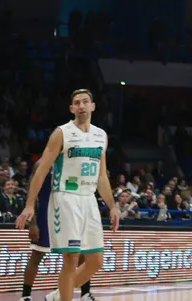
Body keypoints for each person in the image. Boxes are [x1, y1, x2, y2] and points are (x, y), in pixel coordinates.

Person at [16, 90, 118, 301]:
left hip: (89, 198)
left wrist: (113, 206)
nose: (81, 106)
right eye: (76, 103)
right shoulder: (62, 133)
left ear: (93, 106)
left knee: (95, 261)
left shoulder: (101, 136)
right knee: (71, 258)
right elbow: (42, 170)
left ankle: (57, 296)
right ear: (71, 108)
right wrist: (29, 205)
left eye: (85, 102)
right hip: (66, 198)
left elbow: (102, 178)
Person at [20, 168, 96, 301]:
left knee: (81, 254)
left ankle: (85, 294)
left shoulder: (72, 161)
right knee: (36, 256)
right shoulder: (42, 163)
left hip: (69, 214)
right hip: (46, 214)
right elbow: (32, 192)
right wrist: (32, 223)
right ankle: (26, 296)